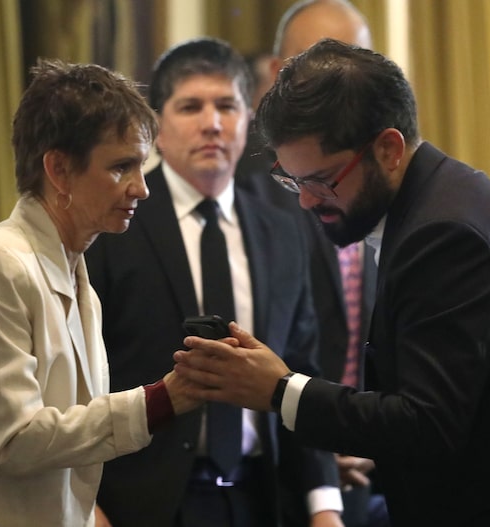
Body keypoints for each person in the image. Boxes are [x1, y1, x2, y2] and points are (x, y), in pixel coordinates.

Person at [173, 39, 490, 526]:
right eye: (292, 181)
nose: (306, 202)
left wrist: (280, 390)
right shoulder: (433, 204)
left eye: (322, 181)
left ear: (388, 149)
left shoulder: (446, 231)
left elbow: (426, 423)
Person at [0, 59, 200, 526]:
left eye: (142, 166)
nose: (141, 188)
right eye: (122, 167)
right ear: (58, 169)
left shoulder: (75, 275)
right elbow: (17, 442)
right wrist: (160, 401)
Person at [85, 37, 343, 527]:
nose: (212, 123)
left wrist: (323, 502)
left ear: (248, 120)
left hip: (261, 496)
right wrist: (84, 507)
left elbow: (303, 369)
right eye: (191, 107)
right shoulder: (115, 221)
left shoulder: (284, 226)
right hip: (141, 502)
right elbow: (78, 375)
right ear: (156, 128)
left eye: (227, 105)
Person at [235, 3, 387, 525]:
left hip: (368, 470)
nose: (344, 87)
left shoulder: (379, 172)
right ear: (278, 76)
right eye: (322, 68)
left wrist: (363, 430)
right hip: (279, 478)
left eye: (355, 63)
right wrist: (321, 445)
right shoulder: (244, 191)